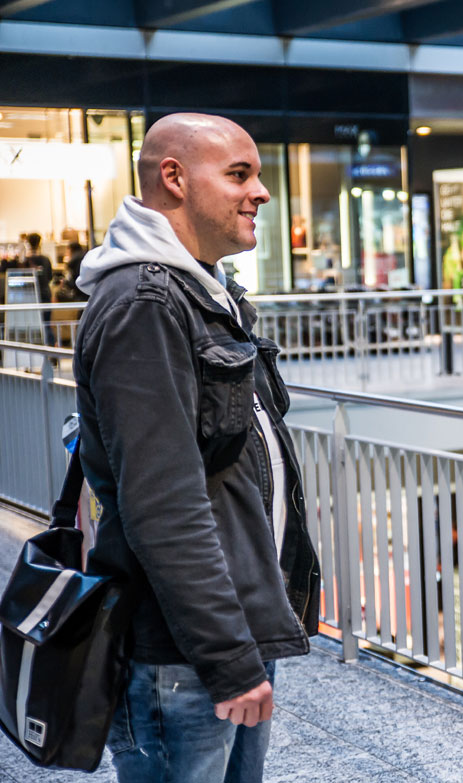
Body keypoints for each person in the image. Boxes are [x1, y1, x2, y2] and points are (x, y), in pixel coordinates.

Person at [72, 113, 320, 783]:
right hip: (184, 654)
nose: (261, 192)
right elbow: (165, 506)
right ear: (174, 179)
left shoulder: (202, 290)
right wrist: (228, 658)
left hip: (223, 635)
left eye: (258, 175)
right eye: (239, 174)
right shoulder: (146, 302)